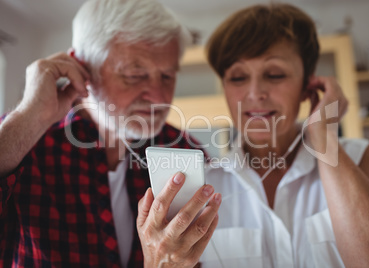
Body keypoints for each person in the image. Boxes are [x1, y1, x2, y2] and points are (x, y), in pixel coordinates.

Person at [0, 0, 220, 267]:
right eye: (135, 74)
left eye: (167, 76)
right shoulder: (21, 140)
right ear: (82, 68)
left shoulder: (185, 149)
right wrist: (30, 116)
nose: (160, 97)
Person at [195, 3, 369, 267]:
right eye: (237, 78)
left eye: (274, 74)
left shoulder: (360, 158)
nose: (255, 92)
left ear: (307, 86)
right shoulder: (205, 187)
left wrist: (323, 134)